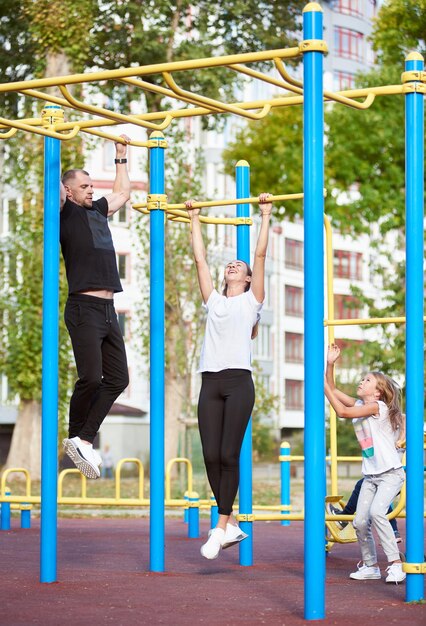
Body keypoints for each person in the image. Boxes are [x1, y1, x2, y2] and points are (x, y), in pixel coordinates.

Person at [185, 193, 272, 560]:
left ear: (249, 278)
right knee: (208, 453)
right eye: (230, 264)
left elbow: (261, 255)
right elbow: (200, 259)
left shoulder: (252, 301)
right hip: (210, 381)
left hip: (238, 383)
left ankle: (221, 526)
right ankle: (230, 522)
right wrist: (195, 219)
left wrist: (264, 214)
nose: (233, 265)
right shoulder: (214, 301)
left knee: (227, 452)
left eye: (240, 265)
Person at [60, 135, 131, 479]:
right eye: (84, 186)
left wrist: (120, 156)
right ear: (69, 191)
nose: (90, 190)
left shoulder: (99, 210)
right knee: (90, 376)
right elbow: (56, 188)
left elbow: (122, 194)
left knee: (118, 378)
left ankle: (84, 438)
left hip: (108, 310)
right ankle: (76, 436)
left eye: (91, 185)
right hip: (83, 307)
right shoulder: (67, 213)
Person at [325, 344, 406, 584]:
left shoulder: (378, 407)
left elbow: (340, 411)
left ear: (378, 392)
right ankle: (370, 565)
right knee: (359, 521)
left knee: (377, 513)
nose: (361, 382)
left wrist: (323, 387)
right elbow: (333, 389)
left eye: (367, 380)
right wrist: (330, 364)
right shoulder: (361, 406)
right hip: (370, 476)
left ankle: (395, 564)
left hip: (390, 474)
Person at [327, 477, 401, 542]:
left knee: (362, 484)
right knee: (381, 500)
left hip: (393, 478)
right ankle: (393, 531)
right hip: (400, 478)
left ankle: (344, 516)